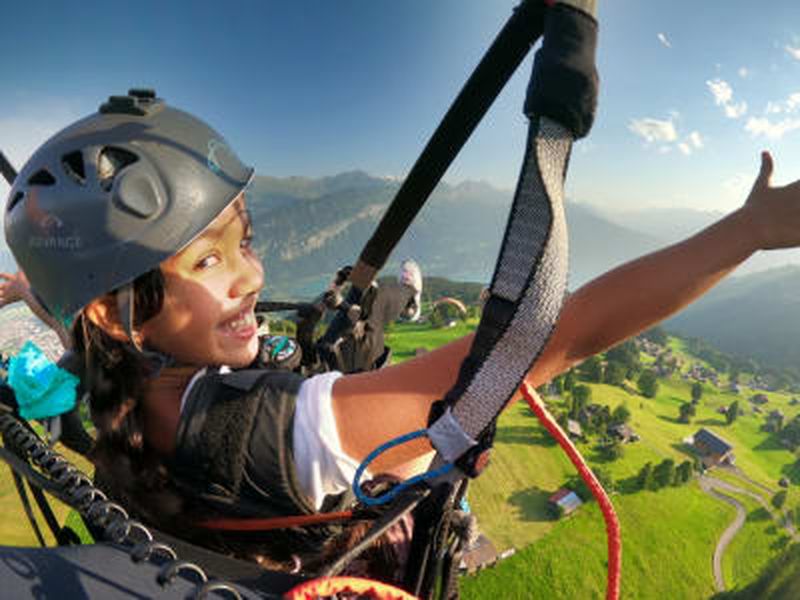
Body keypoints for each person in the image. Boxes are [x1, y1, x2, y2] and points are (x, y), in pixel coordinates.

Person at [6, 79, 800, 581]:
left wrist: (36, 293)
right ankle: (404, 299)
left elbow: (81, 326)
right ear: (113, 310)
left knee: (358, 322)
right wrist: (747, 232)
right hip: (361, 539)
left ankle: (393, 297)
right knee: (368, 329)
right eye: (208, 261)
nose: (250, 276)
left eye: (244, 242)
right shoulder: (279, 432)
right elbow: (550, 336)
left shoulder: (110, 384)